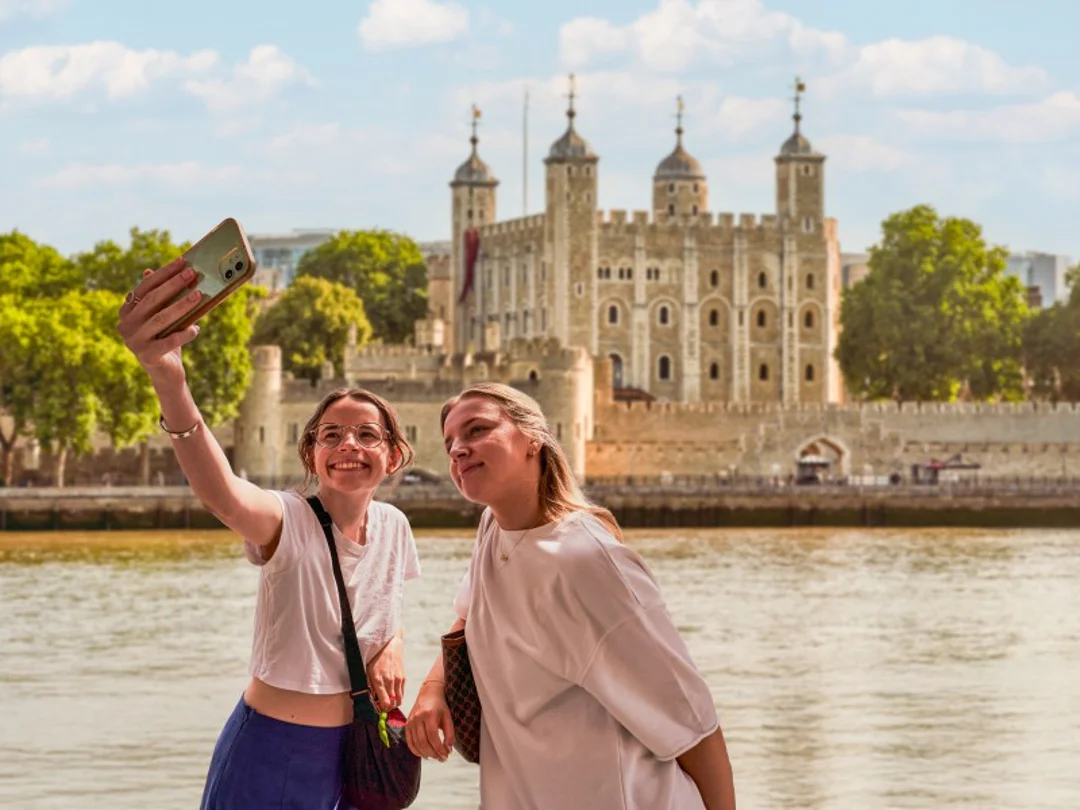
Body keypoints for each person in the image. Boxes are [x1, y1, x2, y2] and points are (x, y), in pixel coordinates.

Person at [117, 258, 421, 809]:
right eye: (332, 435)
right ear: (312, 455)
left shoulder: (396, 527)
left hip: (359, 750)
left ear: (394, 455)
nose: (348, 444)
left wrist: (394, 649)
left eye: (367, 434)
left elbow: (383, 613)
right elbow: (223, 494)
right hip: (274, 748)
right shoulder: (287, 517)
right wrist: (170, 378)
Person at [406, 382, 736, 809]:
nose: (457, 449)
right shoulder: (494, 527)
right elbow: (469, 619)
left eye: (477, 430)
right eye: (450, 441)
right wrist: (432, 689)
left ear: (533, 439)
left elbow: (693, 723)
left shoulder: (588, 564)